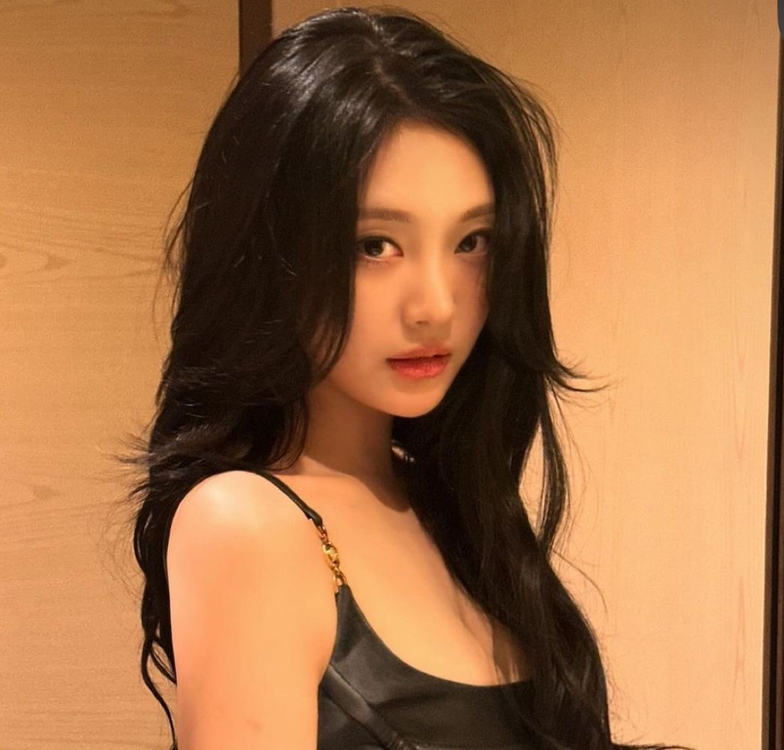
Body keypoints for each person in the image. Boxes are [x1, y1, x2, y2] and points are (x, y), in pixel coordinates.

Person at [117, 6, 694, 750]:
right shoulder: (245, 526)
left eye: (471, 241)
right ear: (268, 251)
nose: (437, 305)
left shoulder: (450, 506)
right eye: (375, 245)